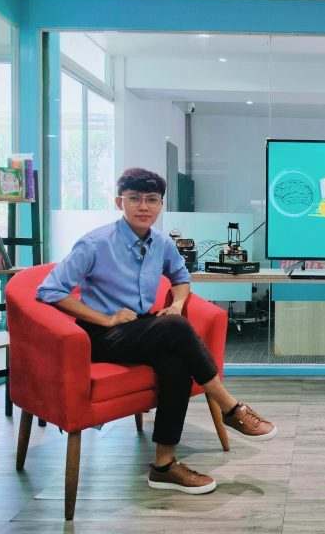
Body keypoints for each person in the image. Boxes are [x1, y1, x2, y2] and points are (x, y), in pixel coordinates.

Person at [37, 167, 276, 495]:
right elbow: (50, 291)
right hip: (99, 336)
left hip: (139, 329)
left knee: (175, 362)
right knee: (175, 328)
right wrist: (104, 319)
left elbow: (181, 277)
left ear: (161, 205)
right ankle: (230, 407)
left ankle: (164, 465)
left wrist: (177, 303)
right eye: (134, 199)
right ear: (120, 202)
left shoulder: (162, 243)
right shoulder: (94, 243)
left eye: (151, 200)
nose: (143, 206)